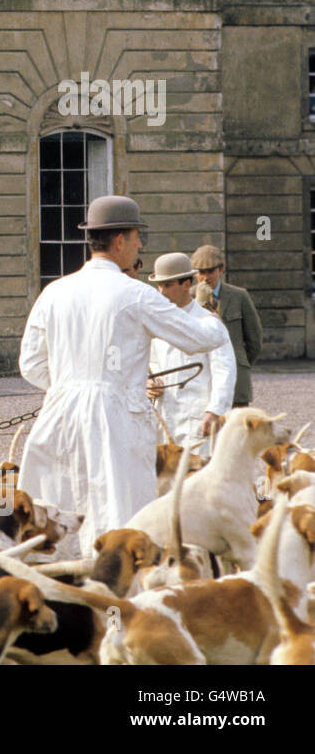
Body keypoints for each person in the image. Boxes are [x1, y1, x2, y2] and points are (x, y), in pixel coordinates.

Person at [18, 195, 231, 550]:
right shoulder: (135, 294)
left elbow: (31, 364)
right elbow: (200, 338)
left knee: (58, 514)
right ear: (119, 241)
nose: (140, 245)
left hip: (59, 414)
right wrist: (211, 314)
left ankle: (62, 592)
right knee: (120, 515)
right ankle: (116, 597)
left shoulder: (54, 292)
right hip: (115, 418)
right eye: (136, 237)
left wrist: (71, 388)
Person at [145, 253, 236, 453]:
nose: (161, 292)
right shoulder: (155, 323)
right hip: (164, 415)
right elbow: (149, 365)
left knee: (198, 477)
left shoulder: (208, 323)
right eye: (159, 286)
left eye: (168, 285)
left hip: (197, 417)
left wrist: (215, 411)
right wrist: (149, 383)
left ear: (187, 284)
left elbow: (224, 370)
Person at [190, 244, 262, 408]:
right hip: (201, 376)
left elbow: (254, 340)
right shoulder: (188, 298)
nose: (206, 277)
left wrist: (239, 362)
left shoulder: (239, 296)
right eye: (201, 272)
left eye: (210, 271)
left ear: (221, 269)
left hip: (236, 376)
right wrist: (199, 303)